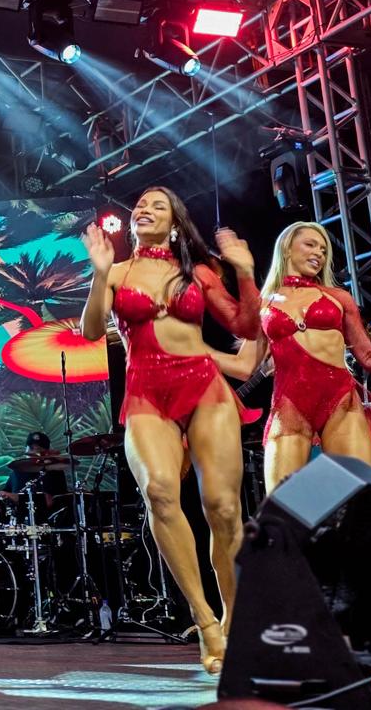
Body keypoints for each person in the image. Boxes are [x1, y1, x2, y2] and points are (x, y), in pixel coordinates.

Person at [79, 186, 259, 675]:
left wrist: (244, 271)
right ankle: (205, 621)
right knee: (159, 492)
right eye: (140, 205)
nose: (145, 209)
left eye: (158, 205)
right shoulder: (118, 272)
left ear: (175, 224)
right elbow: (91, 332)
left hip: (204, 386)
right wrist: (99, 273)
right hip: (146, 391)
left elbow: (245, 325)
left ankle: (235, 617)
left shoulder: (198, 272)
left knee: (223, 508)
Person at [221, 222, 371, 493]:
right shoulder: (263, 304)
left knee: (359, 496)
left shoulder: (338, 297)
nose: (318, 253)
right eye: (310, 244)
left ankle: (333, 510)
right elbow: (244, 366)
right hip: (290, 406)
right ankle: (320, 511)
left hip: (341, 401)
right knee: (282, 501)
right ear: (287, 248)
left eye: (323, 249)